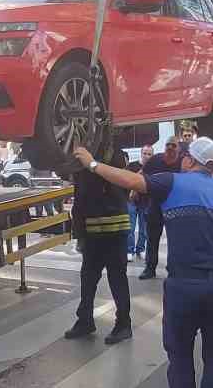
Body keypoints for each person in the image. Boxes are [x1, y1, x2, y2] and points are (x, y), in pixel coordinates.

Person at [73, 137, 213, 388]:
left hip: (184, 285)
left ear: (189, 161)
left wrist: (91, 163)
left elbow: (129, 180)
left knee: (179, 355)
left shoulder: (172, 182)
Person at [64, 146, 134, 344]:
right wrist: (80, 234)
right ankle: (85, 320)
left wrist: (90, 162)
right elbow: (80, 197)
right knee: (88, 279)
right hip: (93, 230)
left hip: (114, 229)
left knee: (117, 278)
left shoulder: (114, 155)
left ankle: (123, 324)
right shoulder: (83, 158)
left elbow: (118, 180)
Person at [138, 139, 181, 279]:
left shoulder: (182, 163)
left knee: (176, 240)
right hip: (155, 205)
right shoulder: (155, 160)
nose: (170, 148)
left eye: (173, 145)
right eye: (167, 145)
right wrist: (134, 191)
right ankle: (150, 269)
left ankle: (174, 270)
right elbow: (142, 174)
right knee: (152, 238)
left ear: (178, 149)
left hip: (175, 207)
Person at [126, 158, 146, 261]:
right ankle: (129, 250)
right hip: (132, 200)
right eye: (145, 153)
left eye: (149, 154)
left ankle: (141, 249)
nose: (147, 156)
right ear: (141, 154)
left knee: (144, 229)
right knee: (130, 227)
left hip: (145, 201)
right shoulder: (133, 165)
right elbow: (127, 179)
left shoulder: (152, 166)